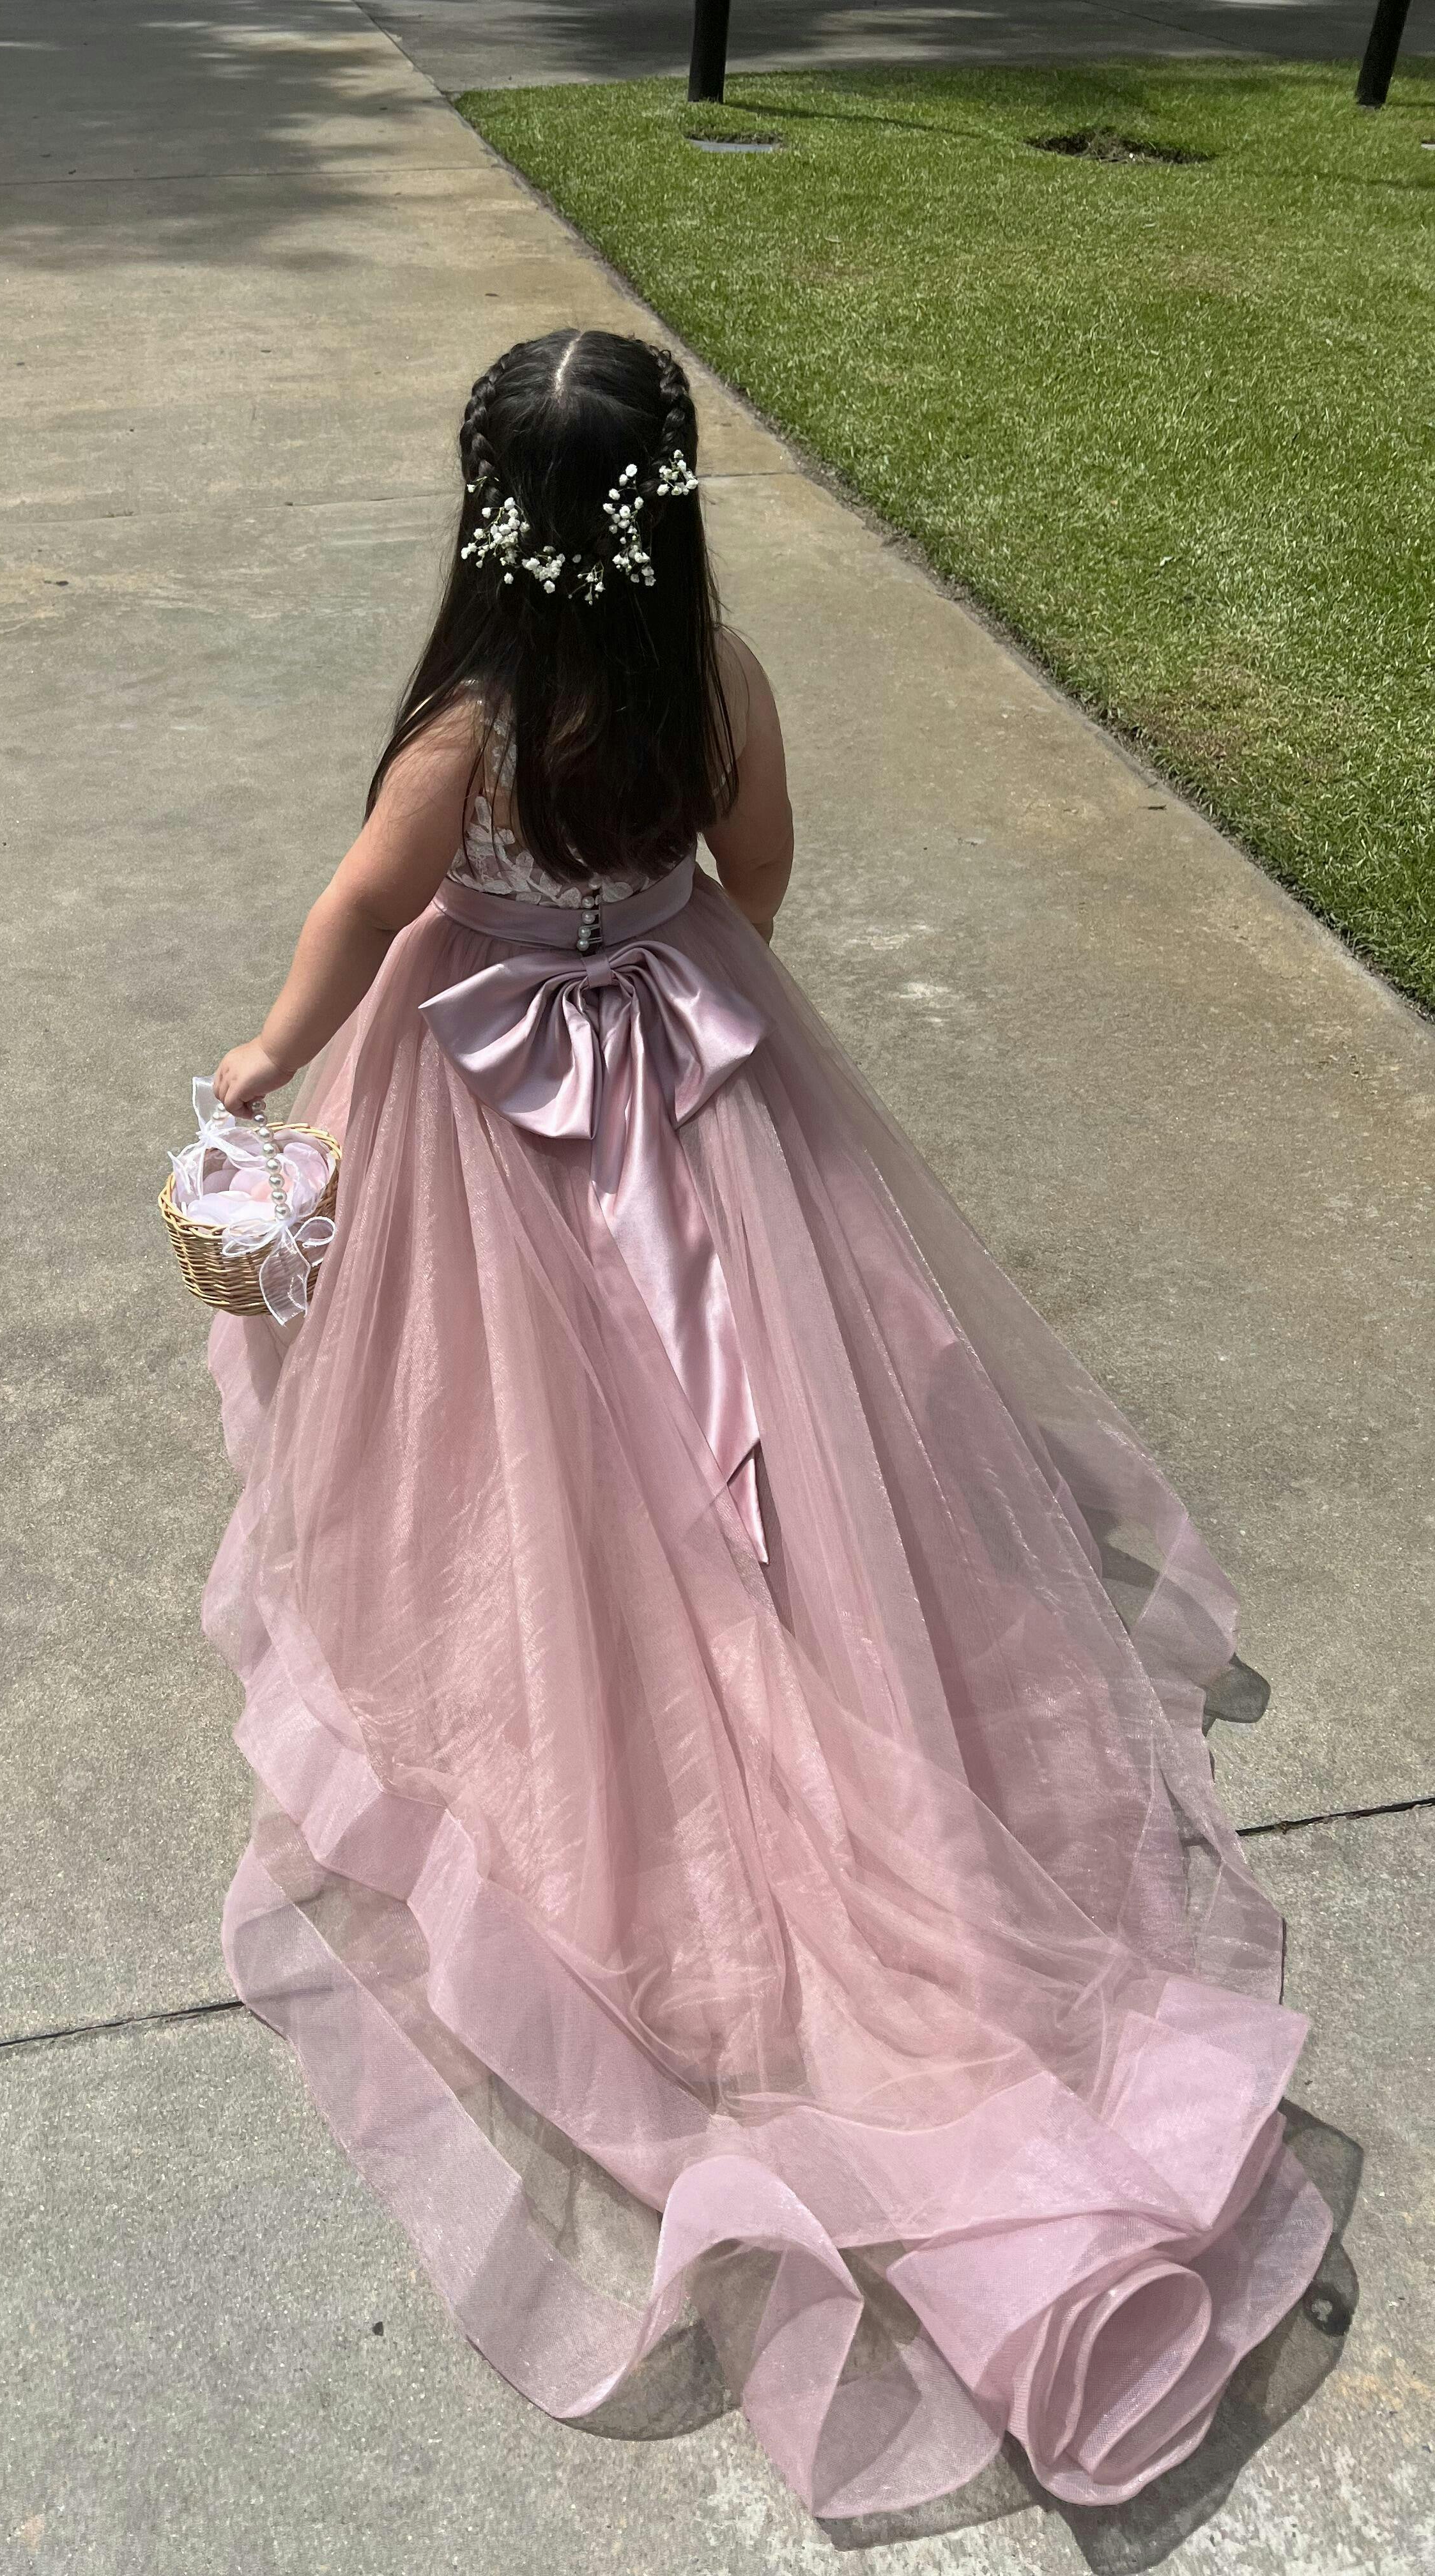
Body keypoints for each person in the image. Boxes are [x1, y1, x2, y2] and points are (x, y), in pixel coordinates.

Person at [202, 329, 1330, 2518]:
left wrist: (269, 1057)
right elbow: (766, 869)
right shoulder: (715, 681)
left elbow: (369, 906)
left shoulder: (470, 725)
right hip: (696, 1059)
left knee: (511, 1411)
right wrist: (670, 971)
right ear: (670, 508)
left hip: (492, 1095)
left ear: (490, 524)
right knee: (742, 1364)